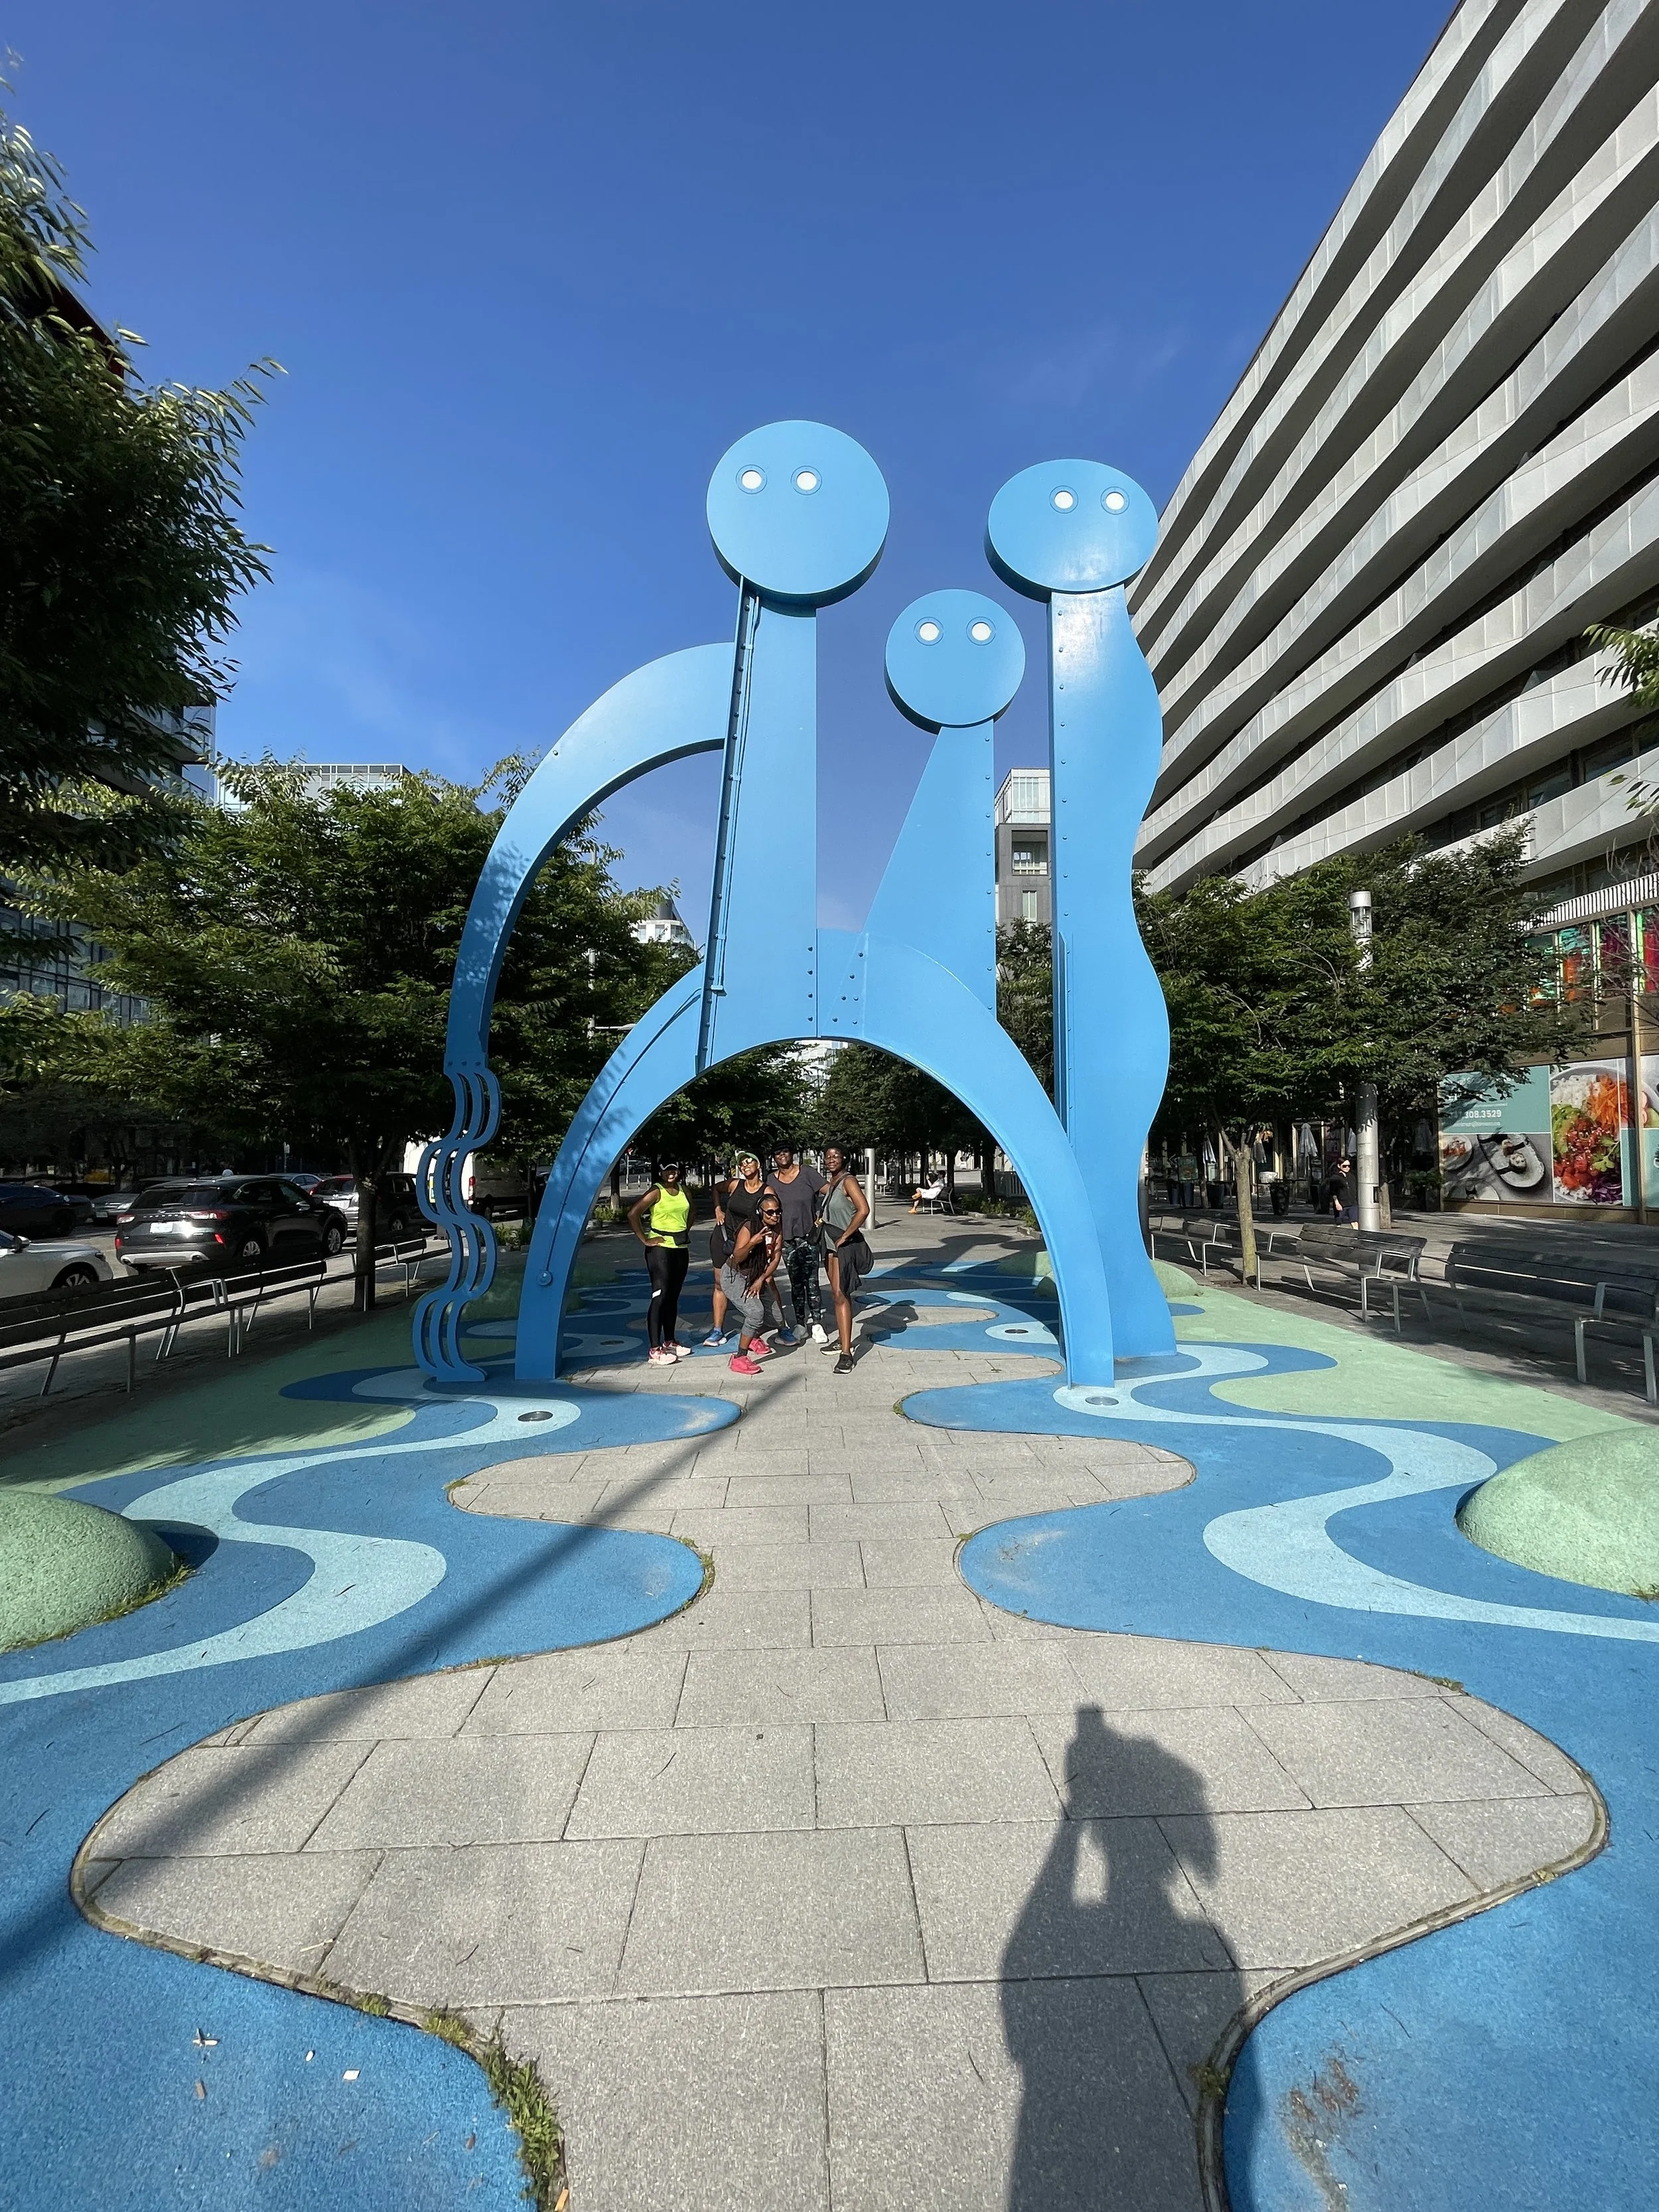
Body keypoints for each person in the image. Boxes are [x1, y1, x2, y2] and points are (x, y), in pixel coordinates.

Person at [627, 1162, 693, 1365]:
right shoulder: (657, 1191)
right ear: (661, 1172)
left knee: (673, 1296)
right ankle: (655, 1350)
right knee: (660, 1295)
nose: (671, 1173)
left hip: (680, 1248)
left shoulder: (684, 1190)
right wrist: (645, 1239)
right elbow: (633, 1214)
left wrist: (684, 1231)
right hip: (660, 1249)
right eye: (667, 1170)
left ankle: (670, 1341)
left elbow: (693, 1212)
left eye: (674, 1170)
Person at [764, 1144, 827, 1344]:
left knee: (812, 1280)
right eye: (777, 1153)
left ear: (792, 1154)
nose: (782, 1155)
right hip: (785, 1239)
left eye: (785, 1151)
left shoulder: (807, 1173)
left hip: (809, 1236)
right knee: (796, 1283)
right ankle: (801, 1324)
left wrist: (821, 1216)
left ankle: (817, 1323)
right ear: (774, 1158)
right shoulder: (771, 1180)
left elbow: (830, 1191)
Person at [816, 1145, 871, 1374]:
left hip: (841, 1245)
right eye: (828, 1156)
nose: (831, 1159)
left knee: (841, 1295)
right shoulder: (833, 1183)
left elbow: (863, 1209)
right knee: (836, 1293)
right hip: (829, 1244)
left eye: (835, 1156)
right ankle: (843, 1339)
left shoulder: (848, 1181)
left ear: (845, 1159)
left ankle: (846, 1354)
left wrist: (846, 1235)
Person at [704, 1151, 766, 1346]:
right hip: (723, 1238)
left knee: (751, 1283)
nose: (745, 1165)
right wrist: (717, 1209)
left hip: (748, 1243)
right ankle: (717, 1330)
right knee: (720, 1283)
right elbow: (715, 1189)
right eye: (742, 1163)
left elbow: (773, 1214)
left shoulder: (766, 1191)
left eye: (749, 1162)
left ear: (758, 1166)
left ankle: (754, 1329)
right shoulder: (734, 1184)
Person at [722, 1190, 785, 1376]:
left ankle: (753, 1337)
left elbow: (775, 1258)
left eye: (778, 1211)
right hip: (735, 1275)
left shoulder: (778, 1229)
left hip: (755, 1276)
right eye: (770, 1212)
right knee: (756, 1313)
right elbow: (737, 1257)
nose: (775, 1215)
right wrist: (752, 1242)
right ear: (760, 1213)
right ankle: (739, 1358)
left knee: (777, 1319)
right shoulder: (749, 1227)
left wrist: (760, 1280)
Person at [1328, 1156, 1354, 1224]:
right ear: (1339, 1166)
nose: (1347, 1168)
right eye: (1345, 1166)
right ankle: (1337, 1234)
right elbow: (1333, 1192)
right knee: (1338, 1223)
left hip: (1353, 1204)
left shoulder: (1352, 1177)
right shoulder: (1335, 1178)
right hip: (1341, 1204)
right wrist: (1337, 1203)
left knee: (1355, 1222)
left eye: (1349, 1166)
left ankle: (1356, 1234)